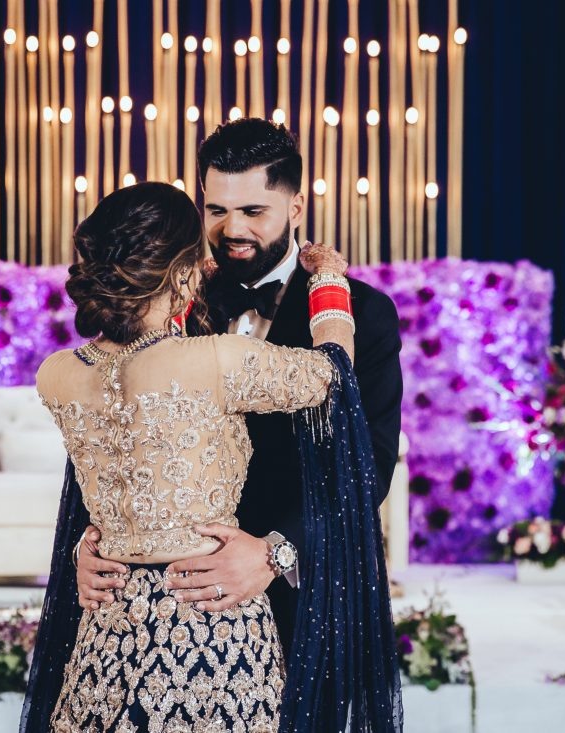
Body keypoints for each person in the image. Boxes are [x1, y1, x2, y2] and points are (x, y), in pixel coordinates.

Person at [21, 180, 402, 731]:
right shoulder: (219, 360)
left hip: (106, 634)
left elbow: (121, 471)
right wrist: (328, 282)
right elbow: (332, 376)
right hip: (212, 632)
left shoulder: (54, 374)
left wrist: (93, 539)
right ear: (181, 274)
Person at [75, 117, 404, 660]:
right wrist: (88, 546)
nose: (233, 230)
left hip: (303, 592)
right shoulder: (167, 301)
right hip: (172, 602)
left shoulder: (362, 313)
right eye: (217, 210)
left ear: (295, 208)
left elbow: (369, 464)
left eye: (254, 212)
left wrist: (274, 553)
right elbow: (115, 434)